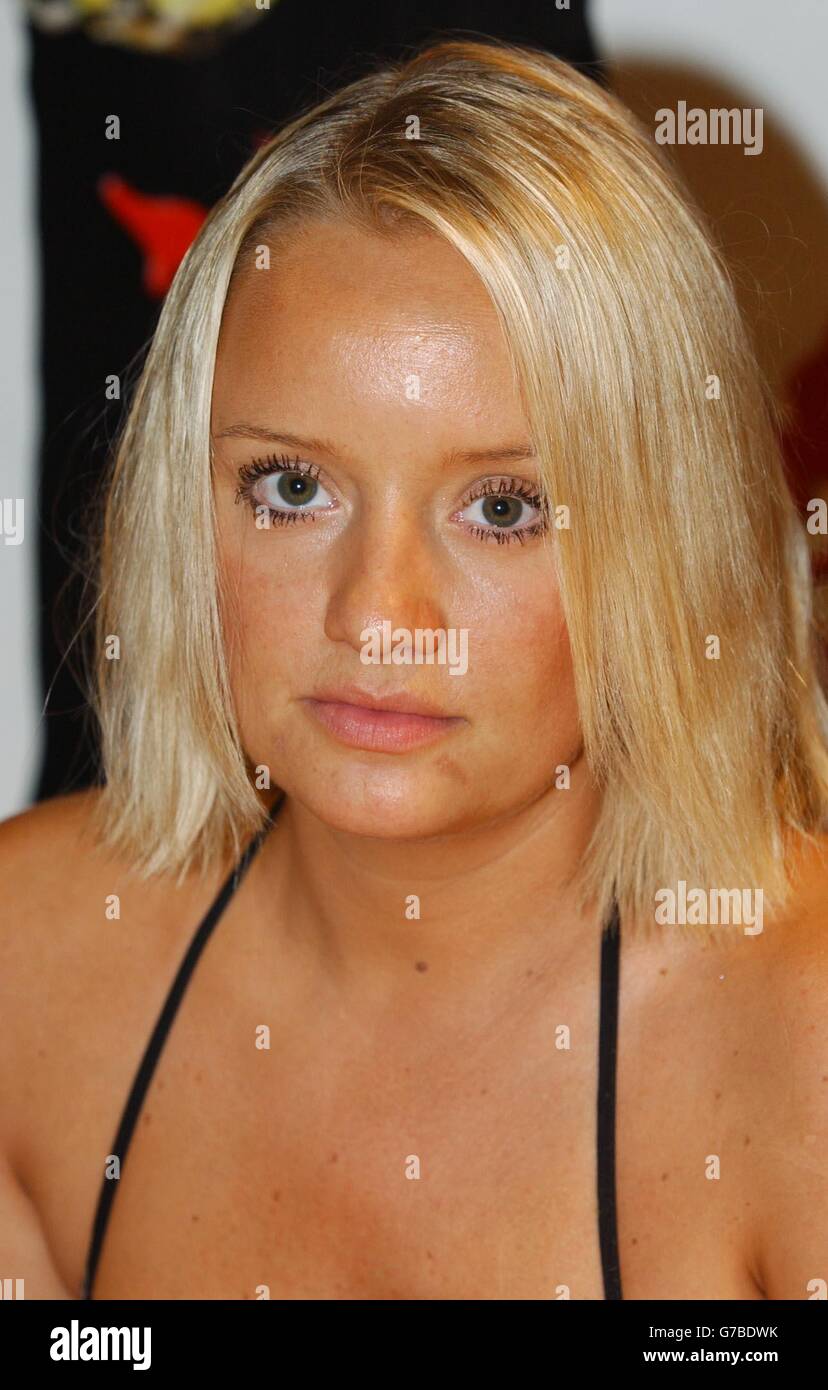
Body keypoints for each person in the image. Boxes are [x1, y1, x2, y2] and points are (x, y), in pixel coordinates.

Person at [2, 37, 827, 1302]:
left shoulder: (802, 1051)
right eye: (291, 486)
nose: (379, 616)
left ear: (672, 539)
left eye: (503, 508)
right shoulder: (31, 973)